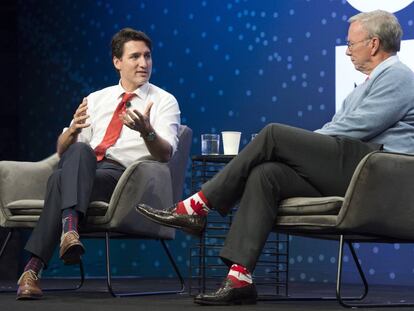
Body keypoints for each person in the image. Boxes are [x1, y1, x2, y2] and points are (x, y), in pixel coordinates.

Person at [136, 10, 414, 306]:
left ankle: (197, 205)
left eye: (352, 44)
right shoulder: (365, 85)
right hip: (353, 168)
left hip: (377, 174)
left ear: (373, 44)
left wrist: (300, 145)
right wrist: (304, 147)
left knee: (274, 135)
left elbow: (358, 127)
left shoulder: (398, 76)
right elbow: (342, 129)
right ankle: (240, 278)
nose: (347, 51)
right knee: (266, 174)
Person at [16, 28, 181, 300]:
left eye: (148, 56)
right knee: (78, 150)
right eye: (135, 57)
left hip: (123, 178)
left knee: (59, 180)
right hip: (86, 170)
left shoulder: (163, 101)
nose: (144, 63)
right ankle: (67, 236)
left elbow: (165, 154)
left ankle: (35, 266)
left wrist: (147, 131)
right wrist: (71, 131)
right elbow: (62, 152)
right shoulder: (96, 99)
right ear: (117, 62)